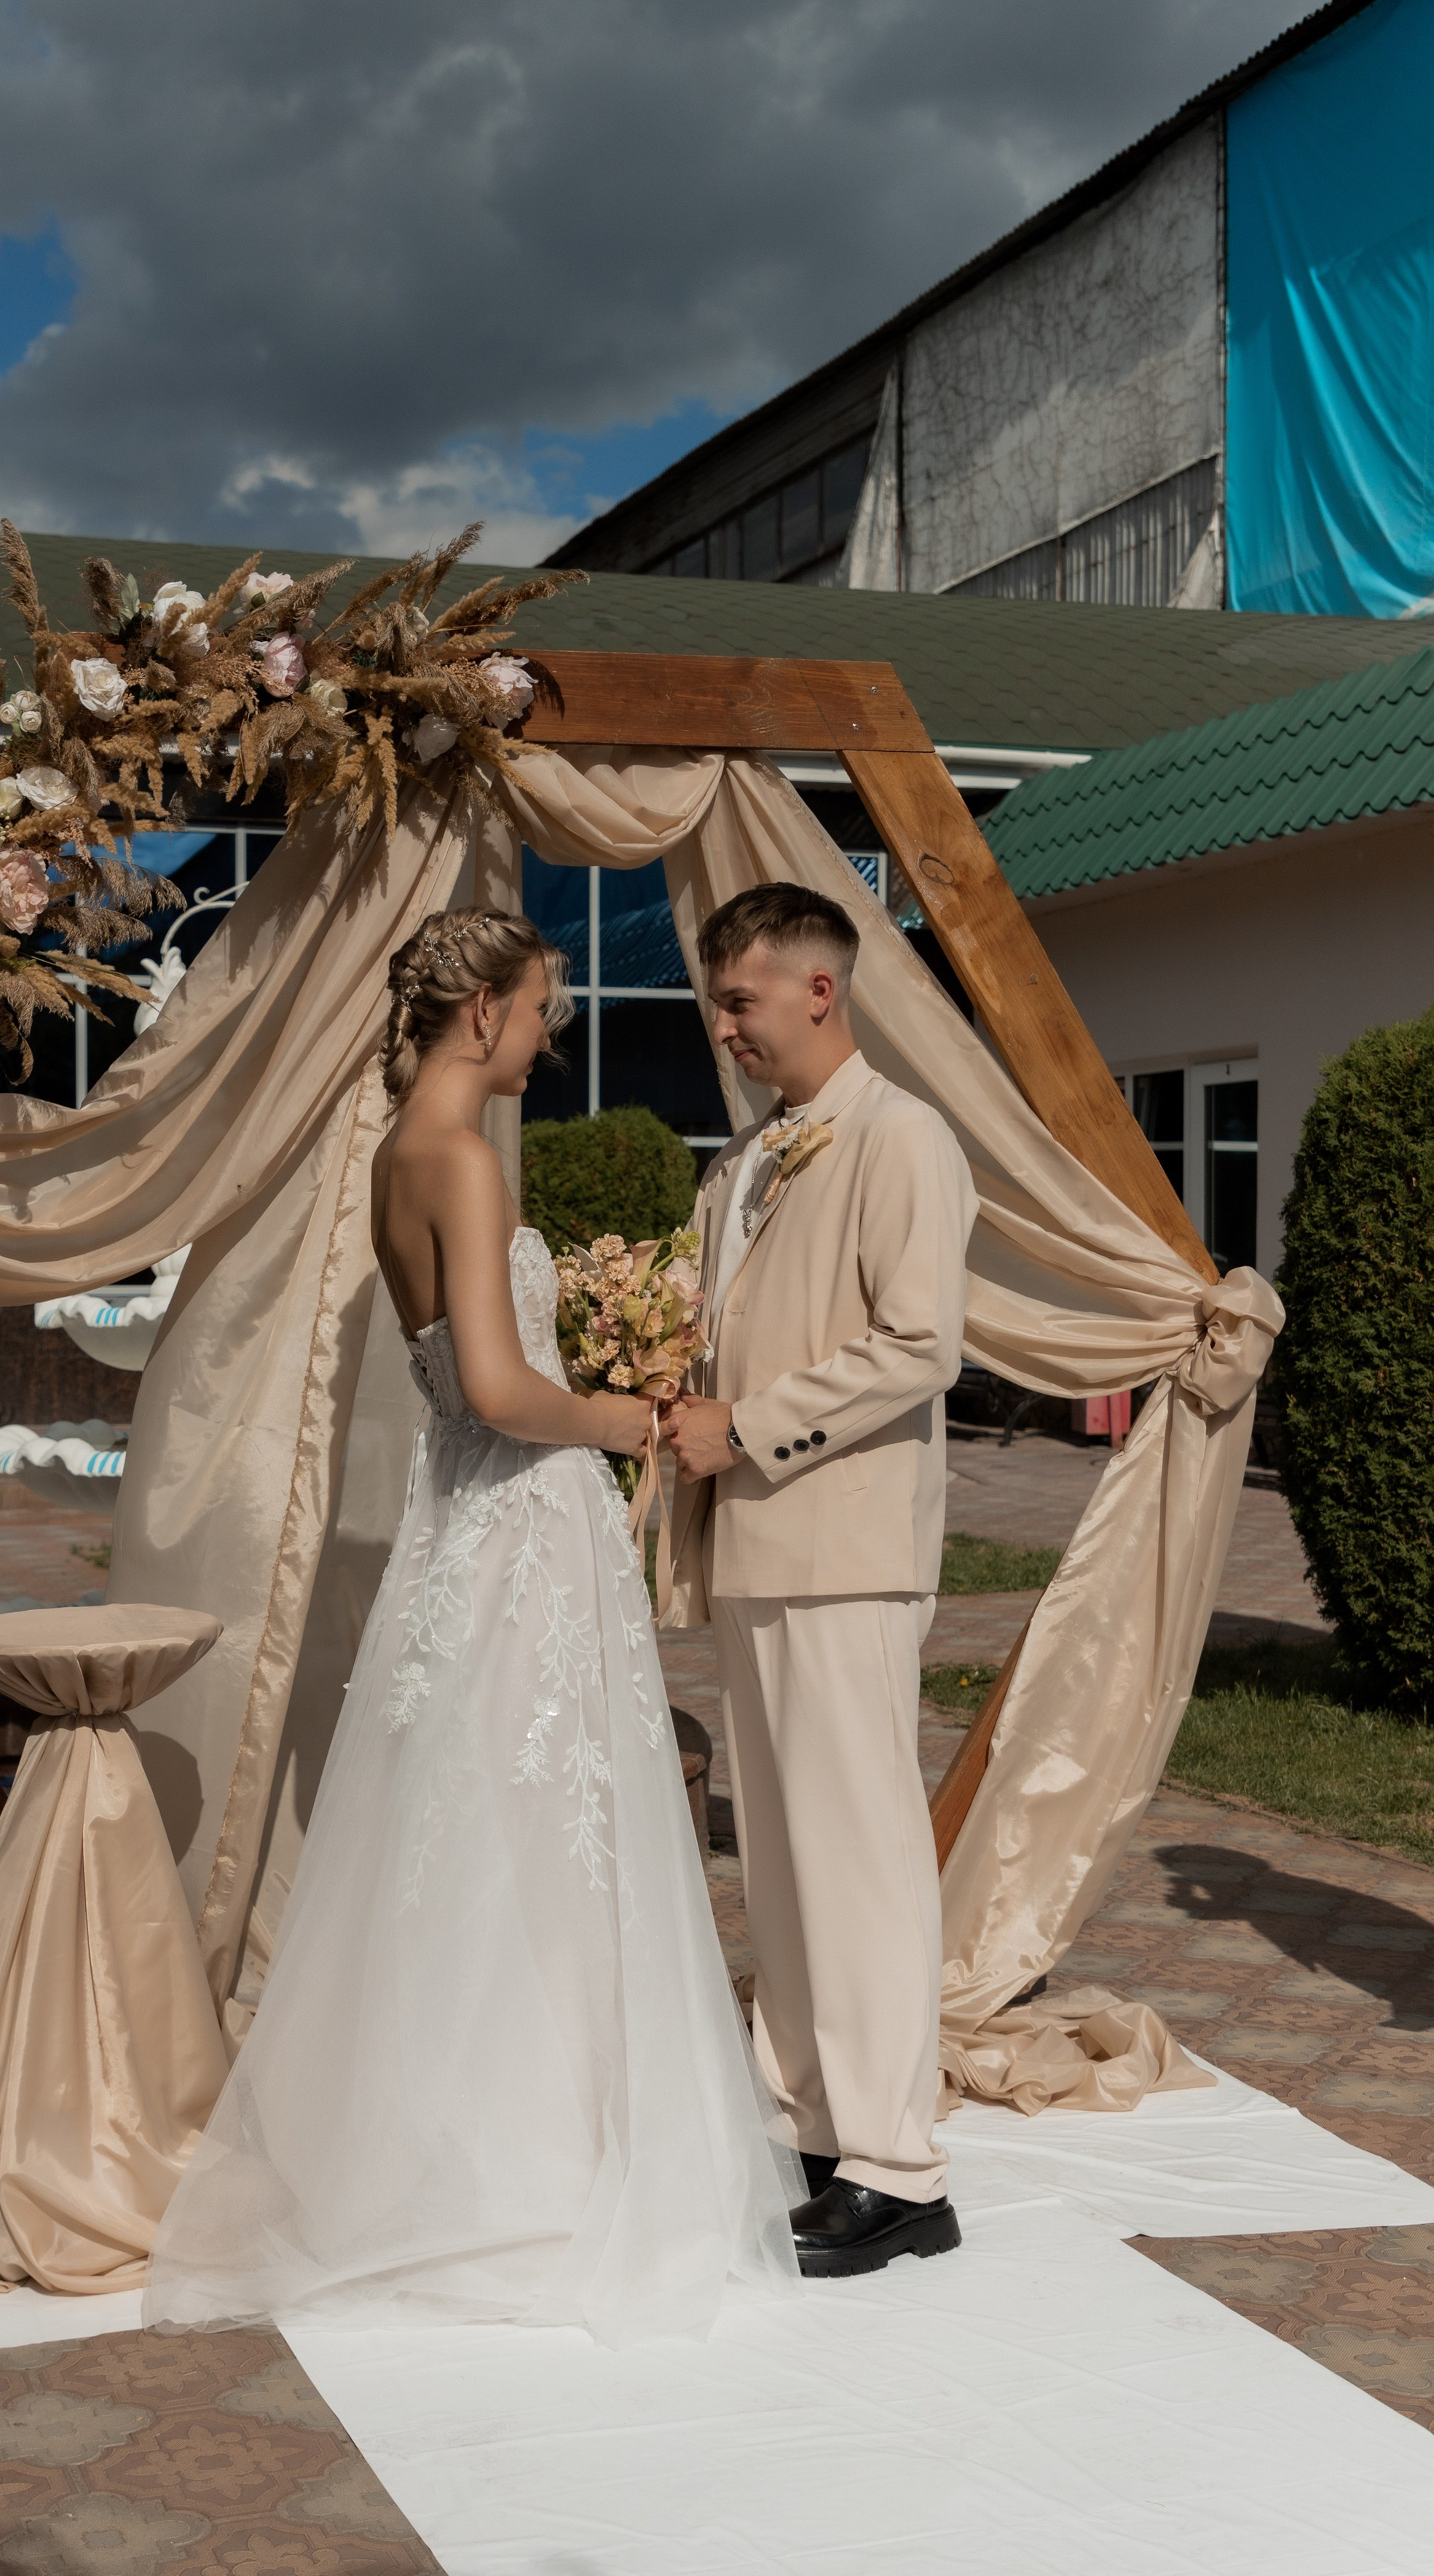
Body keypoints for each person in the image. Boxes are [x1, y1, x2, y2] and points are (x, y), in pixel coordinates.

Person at [145, 905, 800, 2347]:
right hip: (513, 1517)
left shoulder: (396, 1156)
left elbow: (459, 1378)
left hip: (471, 1519)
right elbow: (498, 1391)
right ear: (480, 1013)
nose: (552, 1032)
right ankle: (530, 2163)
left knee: (480, 1822)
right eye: (543, 1005)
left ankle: (448, 2139)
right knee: (545, 1826)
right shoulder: (459, 1162)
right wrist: (634, 1416)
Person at [661, 882, 977, 2279]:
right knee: (780, 1857)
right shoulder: (740, 1165)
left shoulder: (903, 1138)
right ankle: (812, 2122)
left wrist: (748, 1425)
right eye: (716, 1000)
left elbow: (921, 1343)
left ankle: (903, 2167)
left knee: (859, 1857)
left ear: (818, 991)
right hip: (756, 1549)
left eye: (740, 999)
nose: (722, 1025)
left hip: (845, 1545)